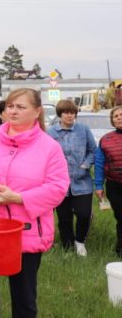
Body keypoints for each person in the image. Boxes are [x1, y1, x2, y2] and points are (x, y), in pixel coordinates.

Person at [0, 88, 69, 318]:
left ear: (37, 111)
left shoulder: (50, 148)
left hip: (26, 230)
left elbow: (58, 187)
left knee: (23, 296)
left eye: (21, 107)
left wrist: (19, 198)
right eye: (10, 106)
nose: (13, 111)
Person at [47, 99, 96, 256]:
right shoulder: (51, 133)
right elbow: (46, 155)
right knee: (64, 217)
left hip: (81, 182)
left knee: (84, 214)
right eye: (66, 112)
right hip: (59, 183)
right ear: (60, 114)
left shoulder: (83, 130)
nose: (69, 115)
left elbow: (93, 150)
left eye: (72, 112)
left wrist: (85, 165)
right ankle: (67, 246)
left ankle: (80, 241)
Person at [94, 105, 122, 256]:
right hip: (114, 186)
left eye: (121, 114)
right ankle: (120, 249)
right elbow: (99, 164)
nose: (119, 117)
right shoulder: (106, 140)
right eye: (115, 116)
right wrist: (98, 185)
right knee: (121, 217)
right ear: (112, 120)